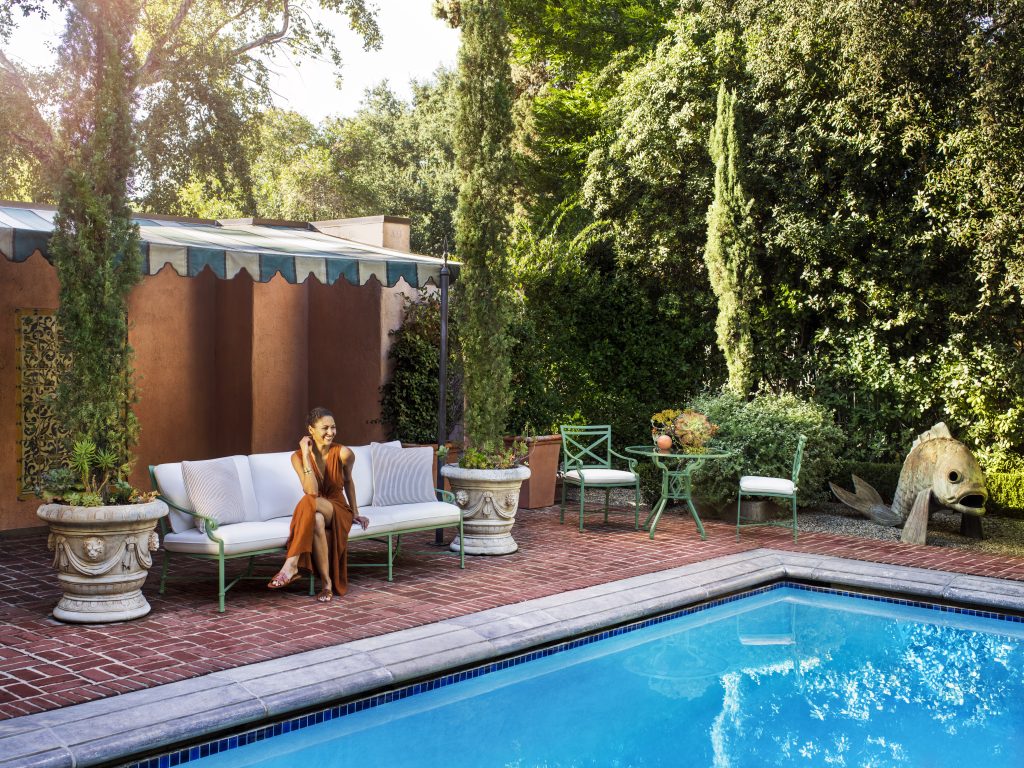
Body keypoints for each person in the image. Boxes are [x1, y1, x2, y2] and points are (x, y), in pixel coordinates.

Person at [268, 407, 369, 602]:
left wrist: (355, 511)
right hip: (316, 507)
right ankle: (327, 584)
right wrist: (306, 456)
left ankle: (292, 563)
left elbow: (348, 481)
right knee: (316, 519)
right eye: (325, 428)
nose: (330, 432)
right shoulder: (297, 457)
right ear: (311, 430)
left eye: (333, 427)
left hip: (338, 509)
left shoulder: (344, 453)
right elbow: (312, 490)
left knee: (309, 502)